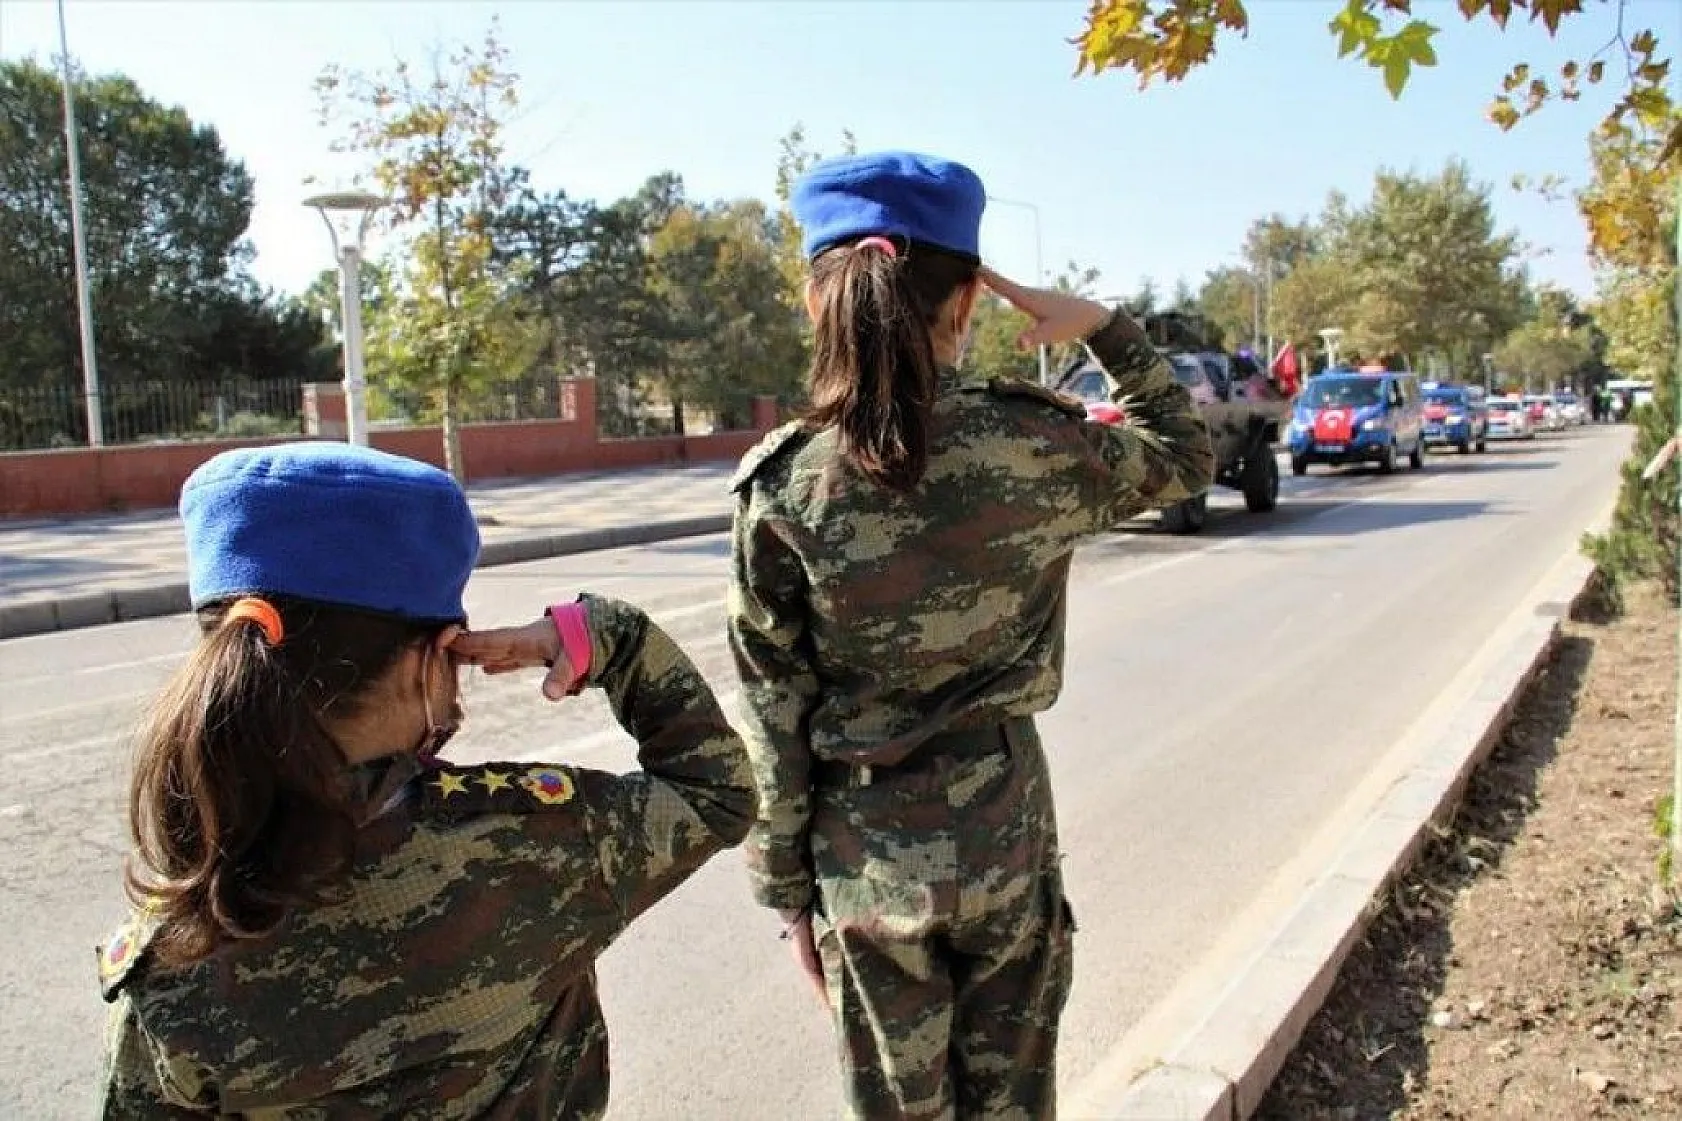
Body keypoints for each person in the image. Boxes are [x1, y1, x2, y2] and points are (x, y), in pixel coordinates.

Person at [727, 151, 1215, 1120]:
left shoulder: (780, 486)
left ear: (821, 303)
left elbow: (770, 708)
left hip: (862, 857)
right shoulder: (1035, 444)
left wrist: (785, 890)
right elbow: (1185, 455)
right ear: (963, 301)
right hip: (1001, 827)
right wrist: (1106, 327)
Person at [96, 441, 753, 1119]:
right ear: (428, 662)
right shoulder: (536, 845)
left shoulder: (177, 942)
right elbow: (718, 792)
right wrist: (607, 635)